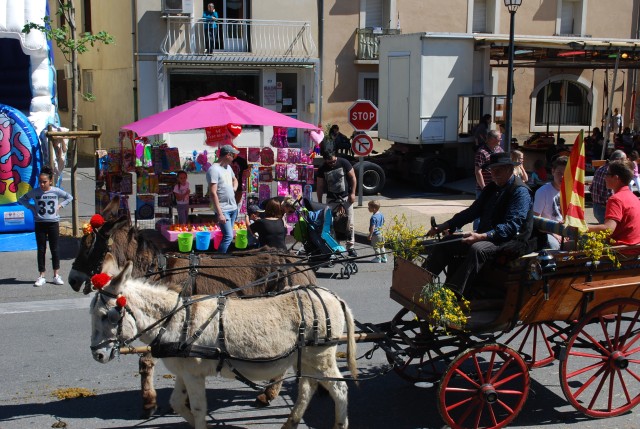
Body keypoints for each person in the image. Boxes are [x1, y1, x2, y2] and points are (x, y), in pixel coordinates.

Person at [425, 152, 534, 297]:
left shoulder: (520, 192)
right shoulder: (491, 188)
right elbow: (472, 212)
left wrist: (481, 236)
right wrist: (444, 226)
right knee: (446, 242)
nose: (494, 173)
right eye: (491, 170)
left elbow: (512, 226)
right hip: (487, 235)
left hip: (510, 240)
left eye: (498, 169)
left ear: (509, 168)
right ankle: (420, 282)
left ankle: (452, 295)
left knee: (477, 249)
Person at [18, 166, 73, 287]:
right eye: (40, 182)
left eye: (45, 182)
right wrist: (31, 207)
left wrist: (60, 205)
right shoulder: (35, 191)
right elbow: (22, 199)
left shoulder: (56, 191)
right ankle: (41, 275)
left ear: (50, 181)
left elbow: (69, 197)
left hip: (53, 223)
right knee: (41, 249)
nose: (42, 184)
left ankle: (56, 275)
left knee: (55, 249)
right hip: (40, 223)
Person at [587, 160, 640, 246]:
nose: (605, 177)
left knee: (573, 247)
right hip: (634, 249)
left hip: (621, 252)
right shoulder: (634, 197)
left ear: (616, 178)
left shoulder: (615, 199)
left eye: (607, 174)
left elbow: (608, 229)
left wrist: (583, 228)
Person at [316, 150, 358, 257]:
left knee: (349, 223)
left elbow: (353, 177)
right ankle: (336, 247)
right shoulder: (322, 168)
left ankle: (351, 247)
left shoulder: (344, 162)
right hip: (331, 200)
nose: (333, 164)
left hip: (345, 197)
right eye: (330, 162)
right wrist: (320, 203)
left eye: (334, 161)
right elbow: (320, 186)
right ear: (325, 160)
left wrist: (353, 193)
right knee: (332, 224)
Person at [207, 145, 239, 253]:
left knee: (228, 236)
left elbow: (235, 179)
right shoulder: (213, 170)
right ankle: (219, 259)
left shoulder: (228, 168)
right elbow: (213, 192)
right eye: (233, 155)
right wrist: (220, 213)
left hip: (233, 207)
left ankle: (224, 256)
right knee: (228, 236)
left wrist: (233, 188)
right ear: (228, 155)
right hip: (224, 209)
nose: (234, 158)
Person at [533, 156, 568, 249]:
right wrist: (554, 233)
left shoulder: (571, 192)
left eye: (565, 173)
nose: (562, 177)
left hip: (566, 230)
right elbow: (536, 219)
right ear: (553, 171)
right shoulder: (542, 191)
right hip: (548, 231)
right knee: (554, 245)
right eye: (559, 173)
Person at [474, 129, 504, 229]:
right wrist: (484, 188)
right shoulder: (481, 152)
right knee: (479, 212)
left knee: (494, 211)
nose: (501, 139)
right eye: (499, 138)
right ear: (491, 139)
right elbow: (478, 172)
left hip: (497, 188)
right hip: (484, 188)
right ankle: (476, 232)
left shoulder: (499, 150)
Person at [590, 150, 627, 224]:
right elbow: (610, 195)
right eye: (624, 160)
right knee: (609, 231)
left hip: (596, 206)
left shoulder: (600, 168)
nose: (625, 163)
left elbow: (591, 188)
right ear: (618, 160)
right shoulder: (611, 172)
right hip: (604, 208)